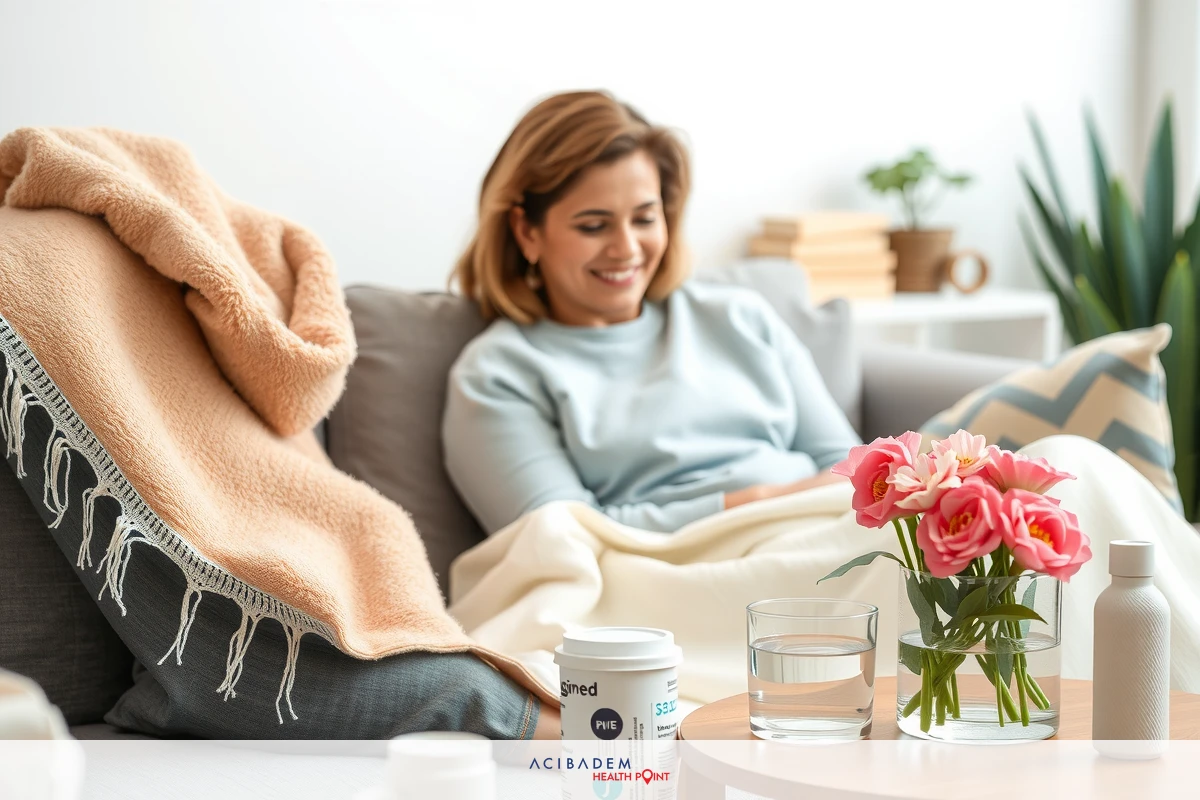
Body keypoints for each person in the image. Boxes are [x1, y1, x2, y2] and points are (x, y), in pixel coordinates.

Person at [444, 90, 861, 538]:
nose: (626, 249)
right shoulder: (498, 373)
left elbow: (853, 472)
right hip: (665, 571)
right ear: (526, 231)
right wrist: (756, 504)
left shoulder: (740, 316)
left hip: (820, 541)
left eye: (644, 219)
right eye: (593, 226)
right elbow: (561, 537)